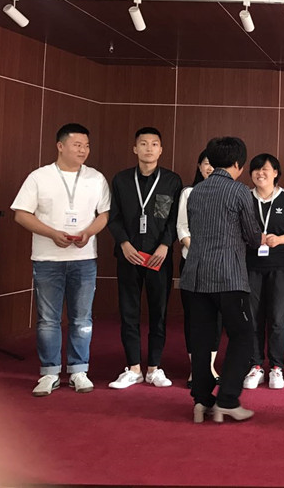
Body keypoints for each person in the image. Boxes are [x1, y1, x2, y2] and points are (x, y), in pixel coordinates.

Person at [12, 123, 111, 396]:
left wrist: (89, 233)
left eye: (86, 146)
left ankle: (79, 370)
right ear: (60, 146)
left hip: (84, 258)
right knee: (48, 319)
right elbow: (21, 214)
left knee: (82, 318)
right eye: (77, 145)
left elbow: (104, 214)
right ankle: (49, 372)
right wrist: (52, 233)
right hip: (47, 259)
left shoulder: (96, 178)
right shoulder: (39, 177)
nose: (83, 150)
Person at [180, 136, 264, 423]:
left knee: (201, 341)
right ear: (238, 163)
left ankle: (201, 402)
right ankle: (227, 399)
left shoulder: (196, 191)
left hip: (195, 277)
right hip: (229, 277)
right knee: (243, 337)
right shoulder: (239, 191)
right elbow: (253, 236)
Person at [108, 127, 182, 389]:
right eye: (143, 143)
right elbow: (113, 216)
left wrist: (165, 246)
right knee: (129, 312)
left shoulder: (172, 181)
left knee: (158, 313)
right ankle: (133, 368)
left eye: (154, 144)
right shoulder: (121, 180)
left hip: (158, 258)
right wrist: (124, 243)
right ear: (135, 148)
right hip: (129, 256)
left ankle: (154, 368)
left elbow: (175, 219)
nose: (149, 148)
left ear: (161, 150)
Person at [242, 154, 284, 391]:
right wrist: (252, 237)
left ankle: (277, 367)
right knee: (253, 317)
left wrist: (279, 240)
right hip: (250, 266)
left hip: (279, 266)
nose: (260, 173)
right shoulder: (245, 197)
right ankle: (255, 365)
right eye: (256, 169)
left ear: (275, 172)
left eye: (265, 169)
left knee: (277, 318)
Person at [177, 149, 221, 387]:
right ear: (199, 166)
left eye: (214, 163)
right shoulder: (188, 192)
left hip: (219, 264)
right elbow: (182, 228)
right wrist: (199, 252)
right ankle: (196, 368)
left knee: (216, 316)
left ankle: (210, 367)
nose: (209, 167)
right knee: (194, 316)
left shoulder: (227, 193)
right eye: (205, 163)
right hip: (192, 261)